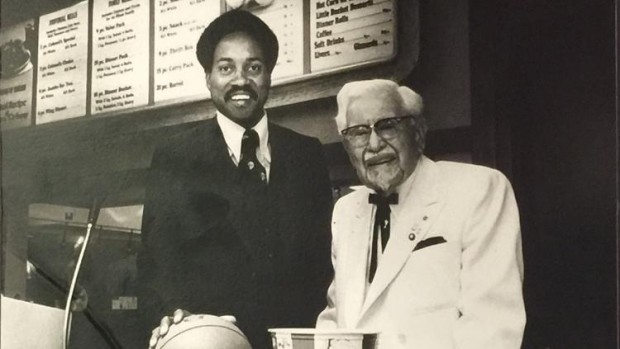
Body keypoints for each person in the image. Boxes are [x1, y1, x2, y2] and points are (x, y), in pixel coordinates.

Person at [138, 10, 333, 349]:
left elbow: (324, 266)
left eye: (253, 67)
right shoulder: (176, 158)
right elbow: (155, 264)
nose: (240, 80)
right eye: (225, 68)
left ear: (269, 76)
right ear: (209, 78)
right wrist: (171, 315)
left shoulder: (308, 155)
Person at [316, 79, 525, 348]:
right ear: (347, 148)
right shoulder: (345, 212)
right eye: (358, 132)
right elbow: (338, 316)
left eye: (387, 126)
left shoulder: (478, 189)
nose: (374, 143)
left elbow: (492, 326)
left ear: (417, 132)